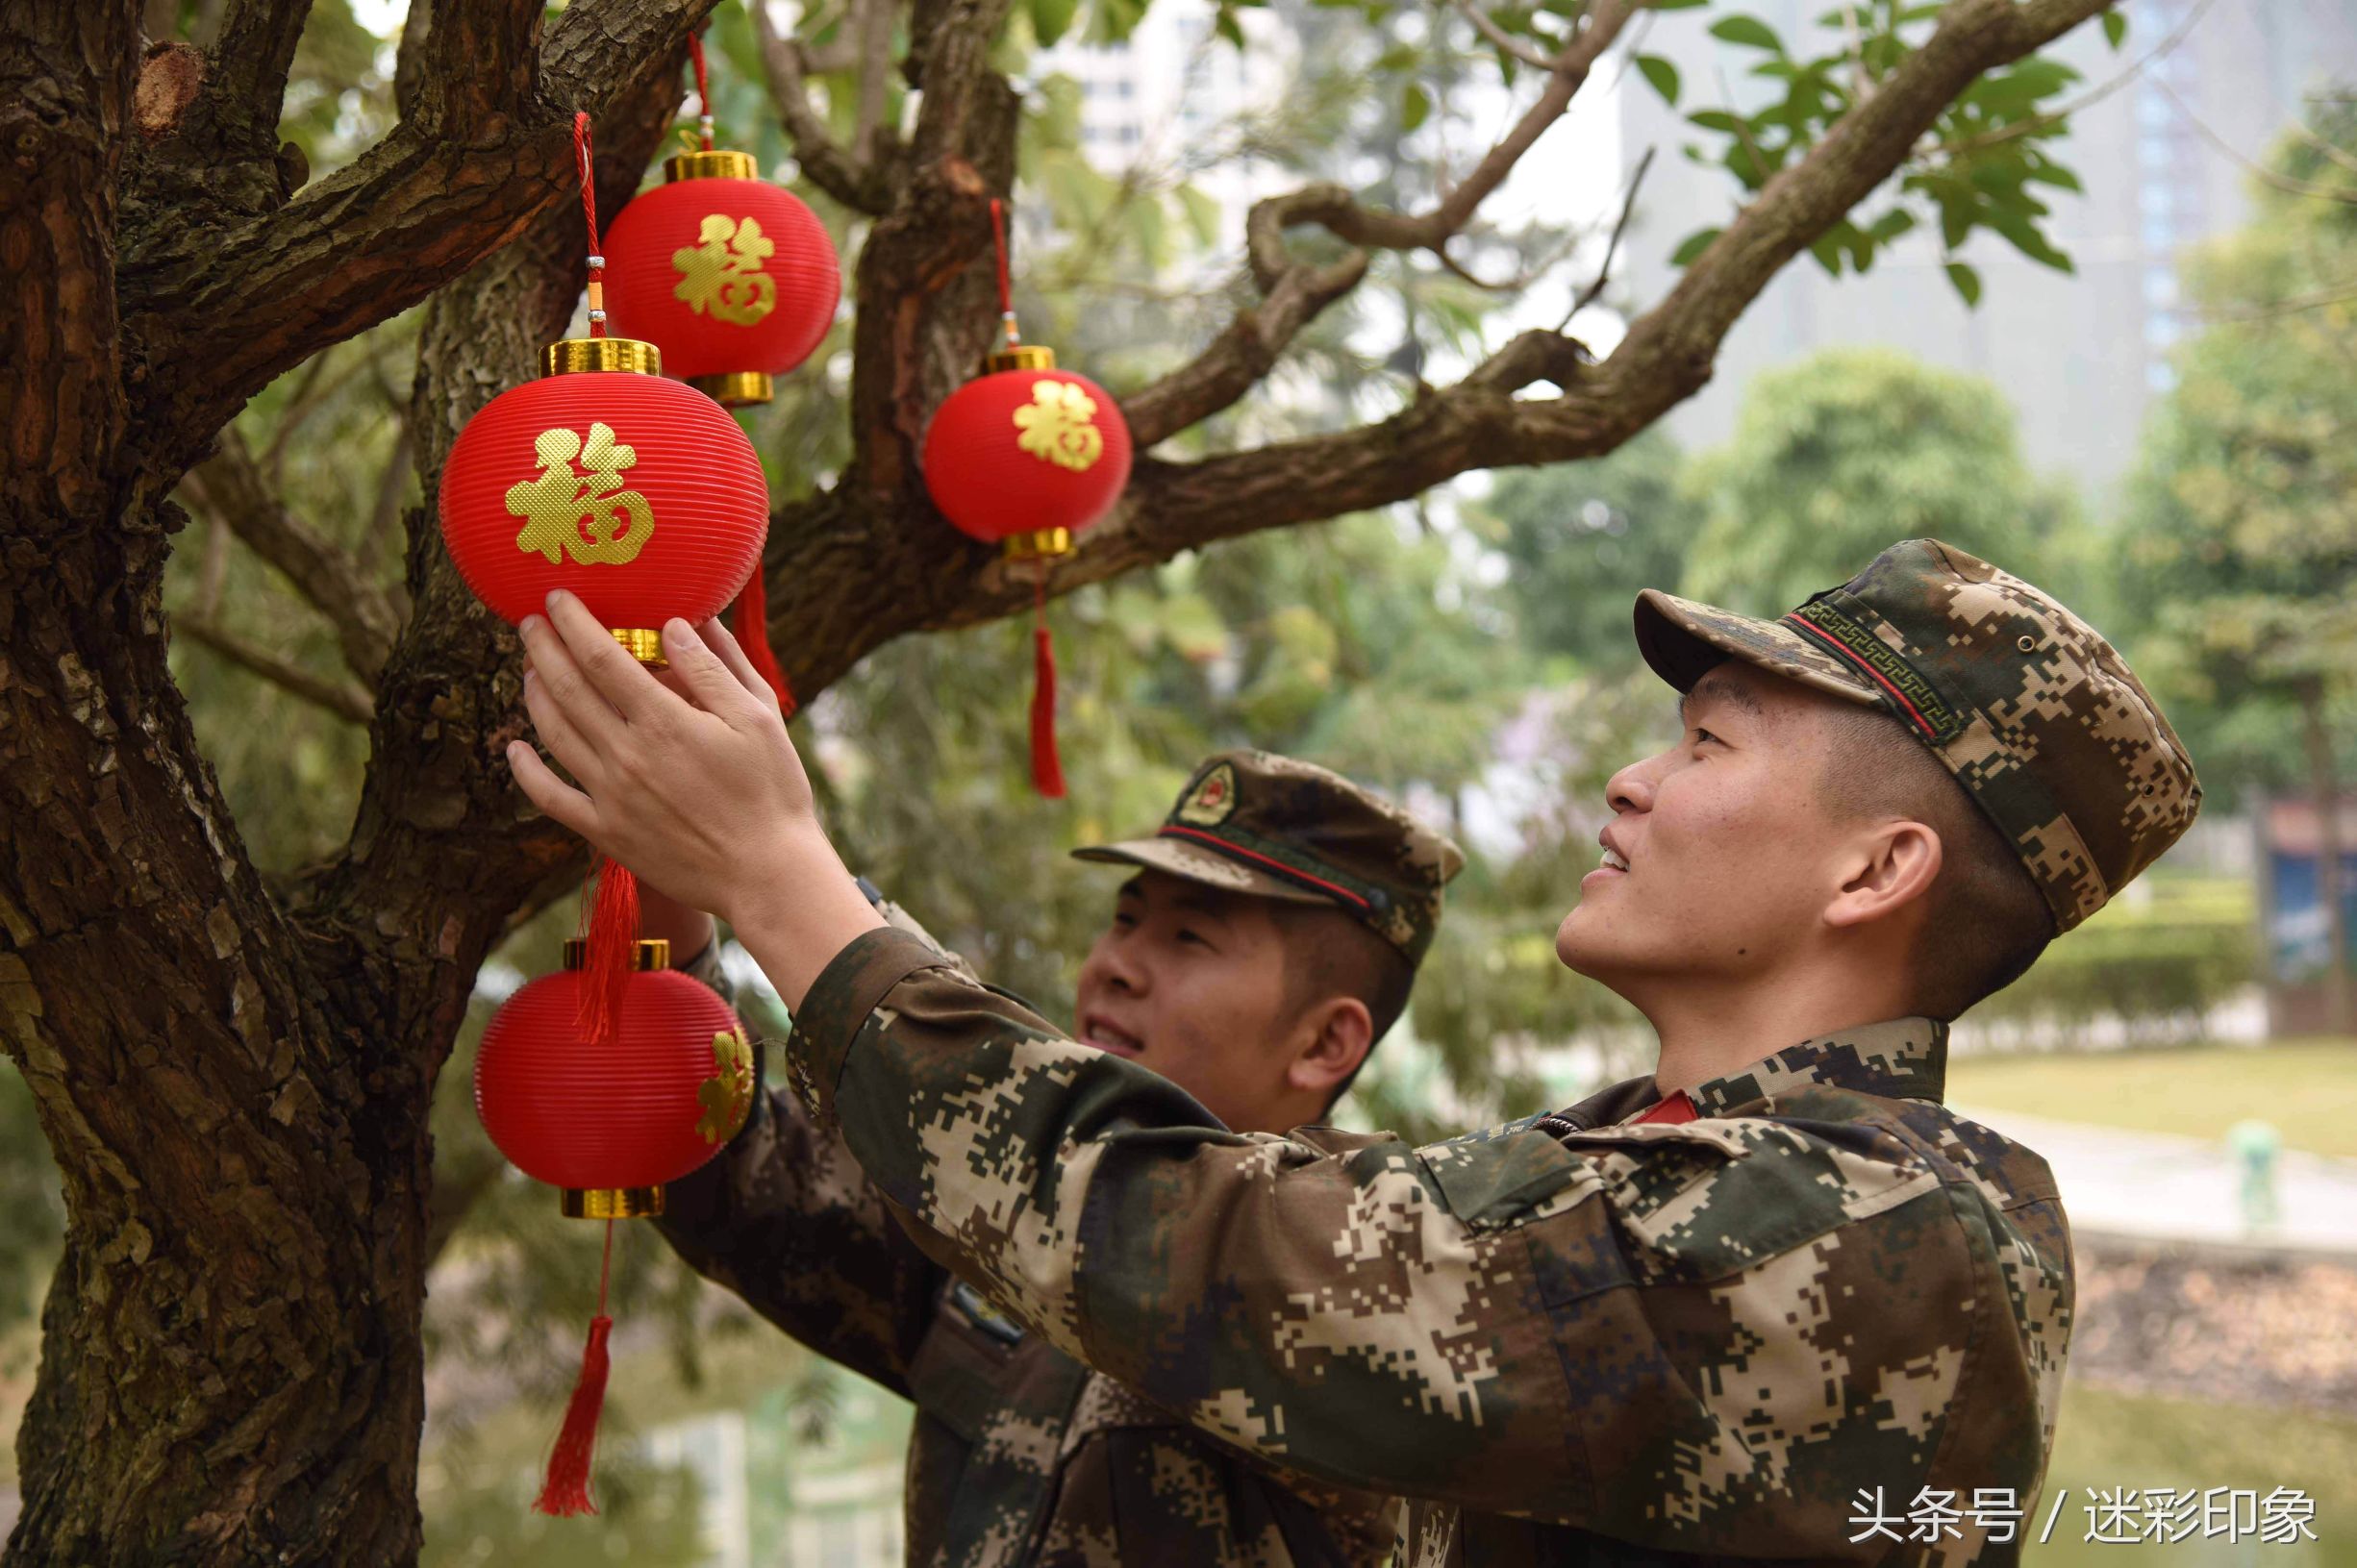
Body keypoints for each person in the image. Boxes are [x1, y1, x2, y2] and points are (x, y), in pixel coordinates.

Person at [511, 537, 2202, 1563]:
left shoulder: (1884, 1229)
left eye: (1701, 744)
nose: (1628, 782)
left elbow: (1227, 1253)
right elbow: (1111, 1243)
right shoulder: (1599, 1166)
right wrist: (695, 929)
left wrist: (790, 889)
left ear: (1876, 868)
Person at [639, 750, 1466, 1566]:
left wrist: (779, 875)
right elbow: (745, 1180)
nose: (1116, 965)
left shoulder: (1341, 1285)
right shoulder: (1022, 1214)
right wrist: (657, 864)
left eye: (1188, 937)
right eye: (1125, 917)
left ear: (1325, 1041)